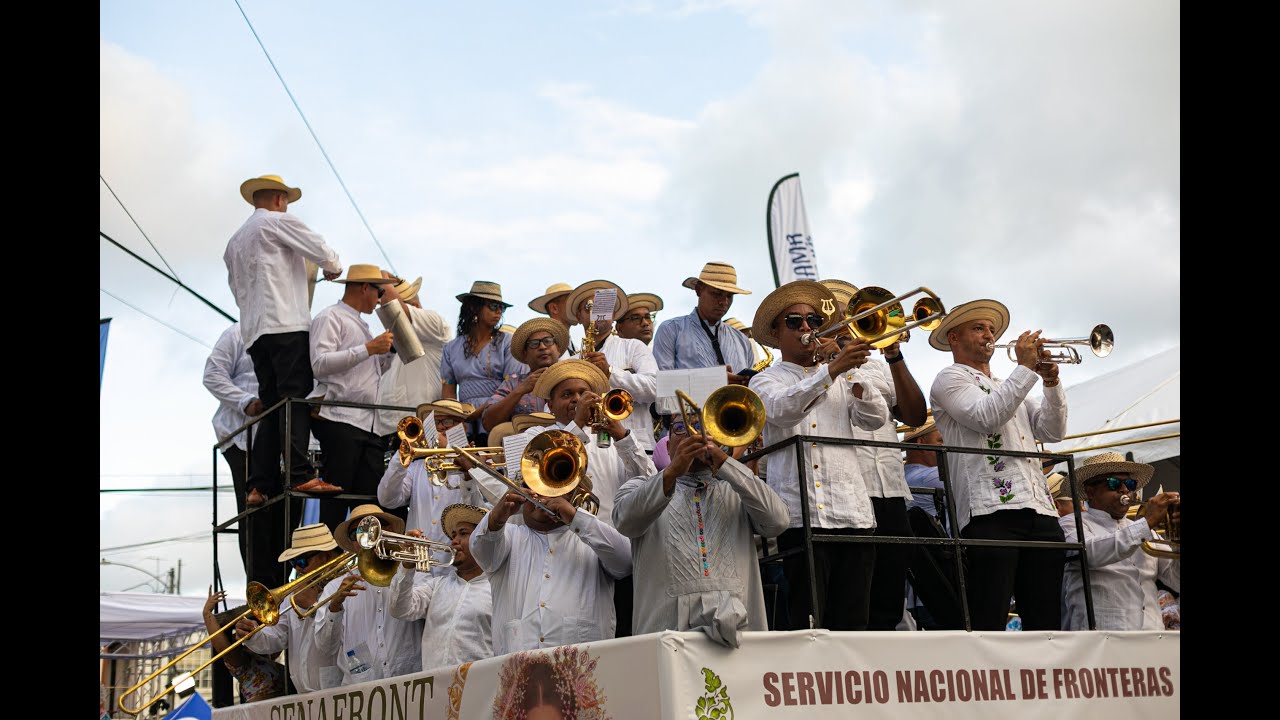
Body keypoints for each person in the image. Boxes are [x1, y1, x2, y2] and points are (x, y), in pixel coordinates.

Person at [747, 281, 889, 631]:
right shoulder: (764, 381)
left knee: (854, 626)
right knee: (806, 627)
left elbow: (875, 418)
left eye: (813, 321)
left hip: (853, 515)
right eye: (794, 321)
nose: (807, 328)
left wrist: (849, 370)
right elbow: (782, 410)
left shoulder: (839, 373)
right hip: (800, 518)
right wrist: (832, 370)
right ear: (777, 332)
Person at [928, 299, 1068, 631]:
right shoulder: (949, 379)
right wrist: (1025, 369)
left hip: (1040, 510)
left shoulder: (1009, 383)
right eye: (978, 328)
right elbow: (987, 417)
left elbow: (1053, 431)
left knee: (1046, 621)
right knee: (988, 617)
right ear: (953, 338)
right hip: (990, 511)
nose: (988, 335)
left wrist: (1051, 384)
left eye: (991, 329)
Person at [612, 412, 789, 647]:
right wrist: (673, 472)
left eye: (703, 427)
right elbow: (626, 521)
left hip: (740, 634)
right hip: (666, 637)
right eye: (680, 428)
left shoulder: (736, 488)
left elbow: (778, 521)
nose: (693, 434)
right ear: (666, 442)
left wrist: (726, 464)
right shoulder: (638, 486)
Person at [224, 174, 342, 506]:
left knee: (274, 403)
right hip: (285, 322)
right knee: (295, 398)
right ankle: (300, 475)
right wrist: (333, 265)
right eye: (286, 199)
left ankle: (259, 484)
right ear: (279, 199)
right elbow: (319, 247)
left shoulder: (235, 242)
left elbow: (235, 288)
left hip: (255, 331)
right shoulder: (276, 222)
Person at [820, 278, 929, 631]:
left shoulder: (878, 366)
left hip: (891, 490)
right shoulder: (817, 366)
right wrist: (836, 356)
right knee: (853, 601)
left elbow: (913, 416)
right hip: (850, 491)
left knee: (889, 594)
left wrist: (893, 353)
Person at [469, 476, 633, 656]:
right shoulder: (508, 535)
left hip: (583, 671)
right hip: (518, 670)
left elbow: (625, 561)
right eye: (533, 487)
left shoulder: (592, 537)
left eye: (555, 489)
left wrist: (574, 517)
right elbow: (480, 549)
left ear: (573, 497)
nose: (543, 494)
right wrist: (497, 517)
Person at [309, 265, 399, 531]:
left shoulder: (362, 324)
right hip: (341, 418)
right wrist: (368, 349)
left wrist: (386, 354)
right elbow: (320, 363)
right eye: (379, 291)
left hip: (368, 422)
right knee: (337, 497)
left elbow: (368, 371)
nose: (380, 298)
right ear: (364, 288)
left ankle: (363, 565)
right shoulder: (330, 317)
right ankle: (330, 561)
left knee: (368, 502)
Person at [1059, 452, 1180, 630]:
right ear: (1090, 491)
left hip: (1152, 634)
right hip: (1102, 635)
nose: (1124, 489)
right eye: (1113, 483)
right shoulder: (1071, 523)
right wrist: (1146, 523)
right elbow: (1090, 553)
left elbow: (1175, 581)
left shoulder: (1145, 529)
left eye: (1130, 484)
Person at [203, 321, 282, 587]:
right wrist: (245, 401)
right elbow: (212, 374)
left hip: (278, 438)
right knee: (255, 514)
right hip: (242, 435)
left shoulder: (291, 334)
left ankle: (278, 585)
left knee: (280, 514)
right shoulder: (237, 332)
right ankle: (260, 588)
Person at [314, 504, 423, 686]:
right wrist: (335, 606)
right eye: (354, 534)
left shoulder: (414, 573)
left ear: (387, 530)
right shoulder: (334, 587)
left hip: (408, 685)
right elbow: (326, 648)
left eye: (371, 527)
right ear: (352, 543)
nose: (363, 537)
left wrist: (406, 569)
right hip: (361, 693)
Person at [238, 523, 345, 693]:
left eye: (302, 560)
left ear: (326, 556)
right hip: (303, 695)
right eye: (294, 562)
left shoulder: (345, 588)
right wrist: (253, 634)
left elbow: (339, 640)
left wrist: (312, 607)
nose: (297, 568)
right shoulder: (293, 595)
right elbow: (277, 637)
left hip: (339, 692)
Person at [378, 399, 488, 563]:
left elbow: (476, 509)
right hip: (417, 567)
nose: (442, 427)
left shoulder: (478, 464)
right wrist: (402, 455)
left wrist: (450, 448)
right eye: (436, 422)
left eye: (448, 421)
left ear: (463, 427)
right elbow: (387, 499)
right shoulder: (416, 468)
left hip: (456, 568)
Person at [389, 503, 494, 670]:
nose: (454, 541)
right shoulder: (436, 585)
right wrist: (407, 566)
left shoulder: (497, 588)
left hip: (479, 687)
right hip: (435, 688)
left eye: (463, 533)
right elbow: (399, 609)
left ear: (483, 540)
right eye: (453, 535)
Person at [566, 279, 660, 452]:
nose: (596, 311)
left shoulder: (633, 346)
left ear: (614, 314)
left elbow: (655, 388)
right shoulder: (568, 361)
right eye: (588, 307)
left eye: (603, 306)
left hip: (636, 445)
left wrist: (610, 373)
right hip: (589, 451)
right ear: (578, 317)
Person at [441, 281, 529, 443]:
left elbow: (513, 386)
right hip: (462, 422)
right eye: (493, 306)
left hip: (499, 416)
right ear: (474, 307)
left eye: (501, 308)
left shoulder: (507, 342)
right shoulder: (451, 348)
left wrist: (479, 411)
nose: (498, 312)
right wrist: (455, 417)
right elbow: (448, 390)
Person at [373, 276, 454, 447]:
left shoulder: (435, 322)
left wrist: (382, 275)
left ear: (413, 307)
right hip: (388, 428)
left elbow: (396, 309)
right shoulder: (389, 337)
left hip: (420, 425)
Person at [652, 261, 754, 384]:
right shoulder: (670, 329)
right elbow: (661, 384)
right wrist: (712, 380)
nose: (724, 302)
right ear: (699, 290)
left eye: (730, 296)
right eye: (717, 294)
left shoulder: (743, 341)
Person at [481, 318, 568, 432]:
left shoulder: (572, 379)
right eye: (534, 344)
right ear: (525, 354)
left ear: (558, 348)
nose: (542, 347)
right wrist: (521, 390)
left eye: (548, 341)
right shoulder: (513, 383)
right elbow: (488, 422)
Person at [203, 587, 287, 704]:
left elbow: (280, 639)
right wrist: (207, 613)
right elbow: (222, 646)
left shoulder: (265, 658)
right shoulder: (240, 663)